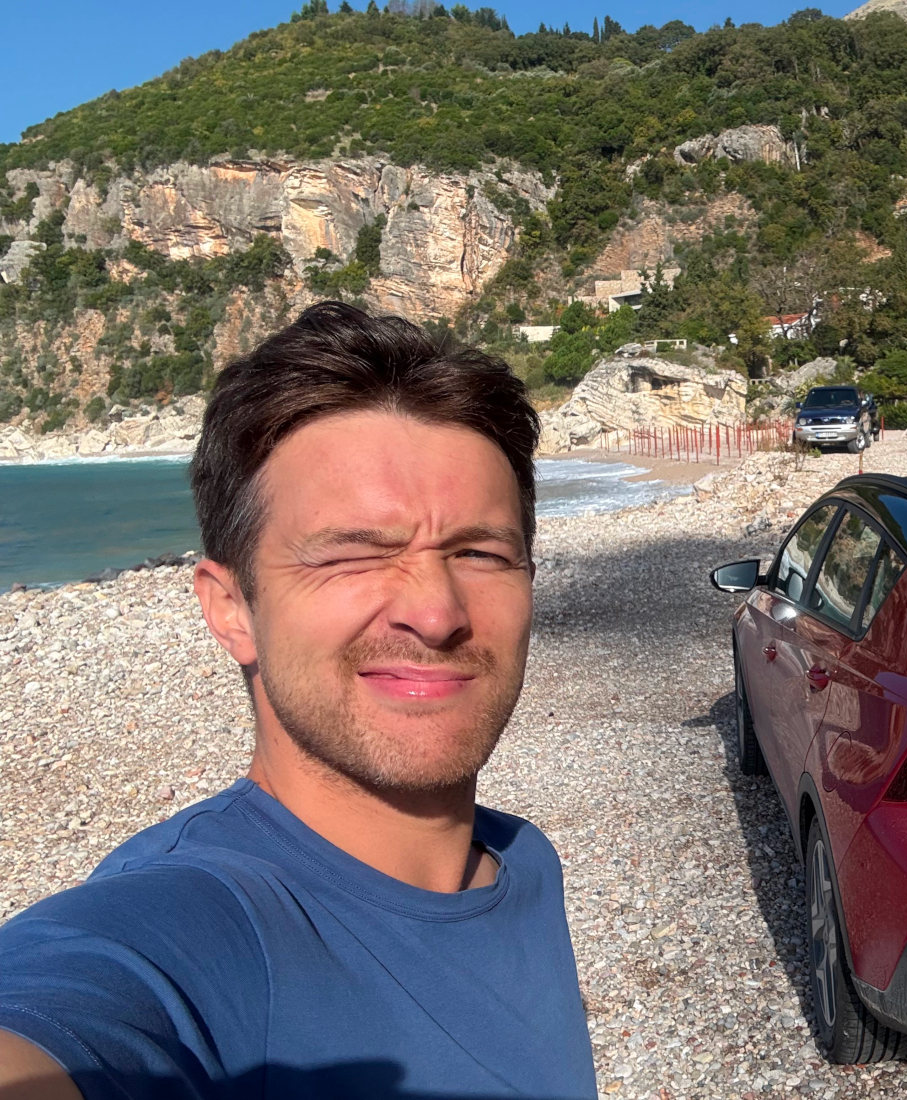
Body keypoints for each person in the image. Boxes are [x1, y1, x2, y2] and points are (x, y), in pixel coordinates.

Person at [0, 302, 597, 1099]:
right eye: (352, 556)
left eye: (479, 552)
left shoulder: (523, 863)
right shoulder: (191, 929)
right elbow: (68, 1008)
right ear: (231, 609)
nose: (437, 611)